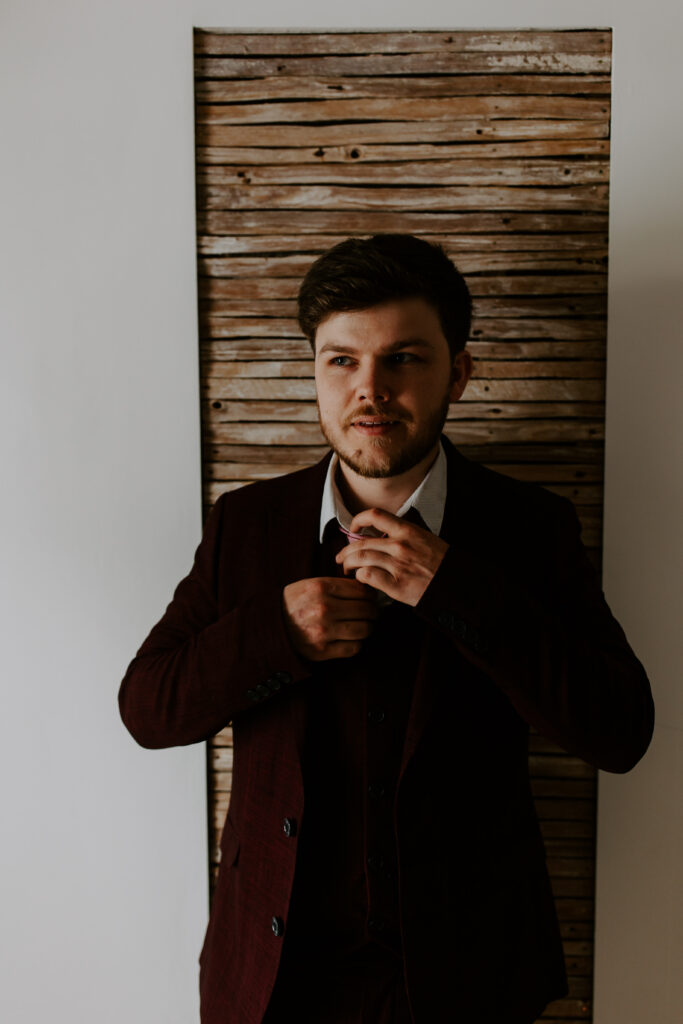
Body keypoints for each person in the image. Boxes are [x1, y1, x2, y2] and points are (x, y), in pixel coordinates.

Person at [118, 234, 654, 1024]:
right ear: (315, 373)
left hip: (466, 980)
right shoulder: (247, 523)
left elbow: (619, 730)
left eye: (402, 359)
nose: (369, 390)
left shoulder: (529, 528)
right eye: (341, 361)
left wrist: (458, 592)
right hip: (274, 975)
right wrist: (274, 635)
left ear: (458, 372)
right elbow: (148, 710)